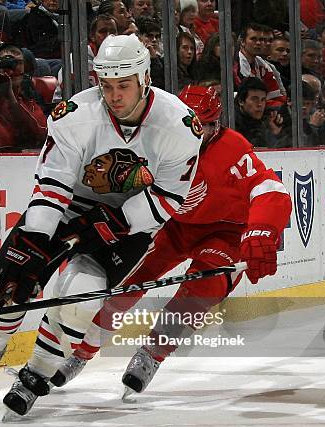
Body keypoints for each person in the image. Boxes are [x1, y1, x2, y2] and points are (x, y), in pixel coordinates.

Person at [0, 34, 203, 416]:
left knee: (81, 298)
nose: (114, 95)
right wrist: (37, 239)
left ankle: (37, 372)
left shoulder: (179, 125)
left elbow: (168, 198)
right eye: (106, 85)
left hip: (130, 221)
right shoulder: (76, 115)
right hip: (69, 206)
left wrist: (115, 222)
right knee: (15, 282)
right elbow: (52, 184)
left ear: (145, 78)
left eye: (123, 85)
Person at [50, 85, 291, 396]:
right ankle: (82, 352)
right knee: (127, 282)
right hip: (171, 224)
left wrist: (261, 230)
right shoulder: (158, 139)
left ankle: (152, 354)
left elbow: (270, 189)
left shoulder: (232, 149)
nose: (192, 132)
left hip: (224, 232)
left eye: (201, 126)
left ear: (214, 123)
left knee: (199, 291)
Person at [0, 43, 48, 152]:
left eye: (19, 63)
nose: (14, 68)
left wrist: (13, 101)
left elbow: (41, 135)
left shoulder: (29, 97)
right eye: (8, 63)